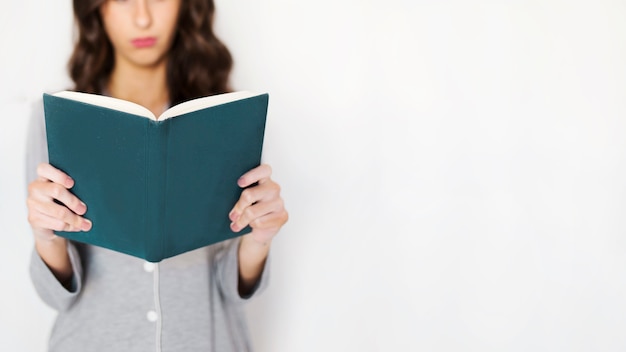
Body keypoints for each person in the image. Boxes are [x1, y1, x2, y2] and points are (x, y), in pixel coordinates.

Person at [25, 0, 288, 351]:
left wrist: (259, 238)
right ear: (96, 9)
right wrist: (47, 237)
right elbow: (56, 297)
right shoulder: (55, 120)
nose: (143, 17)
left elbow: (233, 291)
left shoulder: (228, 117)